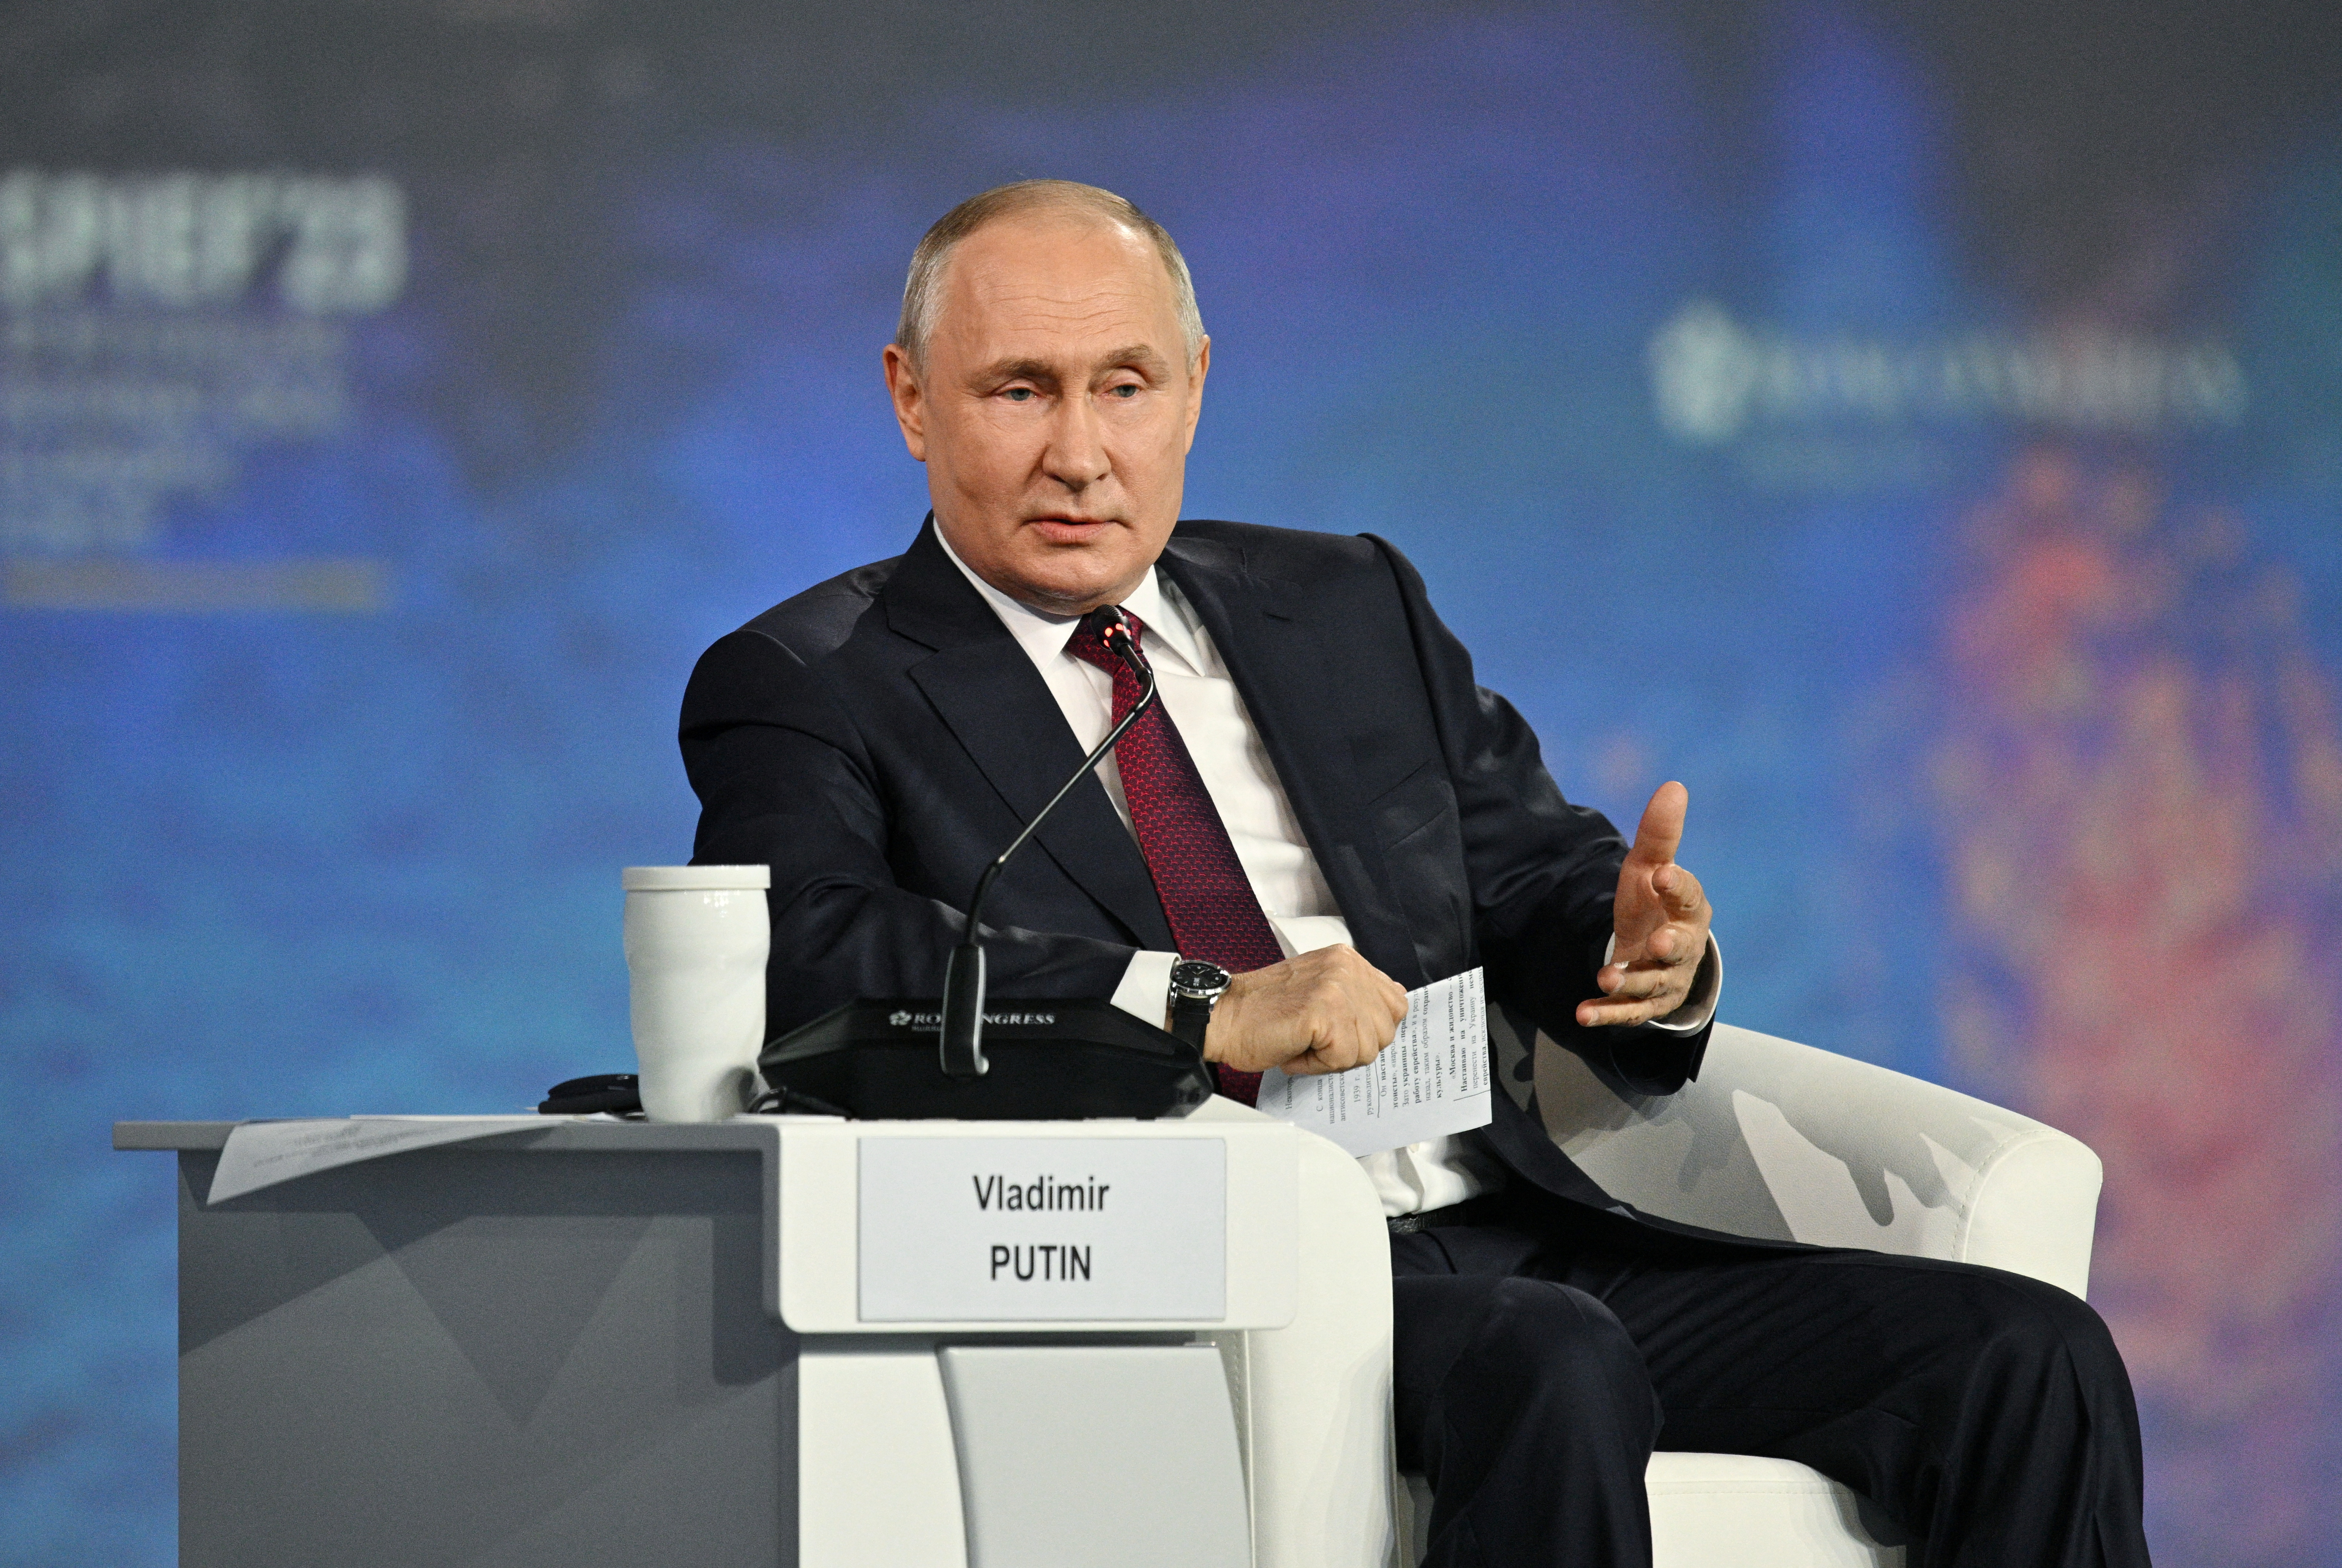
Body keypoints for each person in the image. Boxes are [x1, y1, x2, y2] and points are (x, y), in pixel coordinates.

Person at [678, 179, 2149, 1567]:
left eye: (1125, 385)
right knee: (1550, 1358)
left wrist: (1636, 950)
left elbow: (1525, 864)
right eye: (1021, 390)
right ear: (911, 400)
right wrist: (1198, 1006)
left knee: (2029, 1356)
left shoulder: (1344, 600)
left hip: (1496, 1226)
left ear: (1194, 385)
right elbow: (808, 950)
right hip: (1190, 1269)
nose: (1081, 451)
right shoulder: (815, 678)